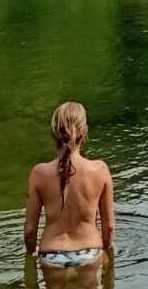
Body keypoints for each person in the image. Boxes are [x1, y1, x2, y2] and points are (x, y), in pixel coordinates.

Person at [23, 101, 115, 266]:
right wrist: (105, 254)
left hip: (51, 255)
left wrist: (32, 253)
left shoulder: (39, 173)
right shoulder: (100, 170)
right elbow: (109, 227)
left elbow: (30, 231)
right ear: (84, 132)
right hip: (90, 253)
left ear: (54, 133)